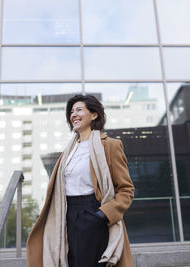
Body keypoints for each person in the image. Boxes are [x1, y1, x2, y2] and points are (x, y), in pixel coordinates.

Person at [26, 94, 135, 267]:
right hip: (67, 215)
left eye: (79, 110)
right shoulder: (68, 152)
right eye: (71, 112)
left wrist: (103, 214)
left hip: (93, 211)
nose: (73, 115)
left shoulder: (110, 146)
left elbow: (126, 189)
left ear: (94, 115)